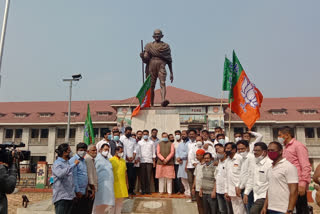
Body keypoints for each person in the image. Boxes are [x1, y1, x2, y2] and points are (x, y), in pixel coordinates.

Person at [278, 126, 311, 214]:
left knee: (301, 209)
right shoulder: (285, 148)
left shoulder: (298, 146)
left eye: (280, 135)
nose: (279, 138)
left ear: (287, 135)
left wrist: (303, 183)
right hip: (287, 183)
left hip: (298, 184)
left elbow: (305, 165)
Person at [261, 141, 298, 214]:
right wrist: (265, 206)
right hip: (271, 208)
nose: (270, 152)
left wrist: (290, 210)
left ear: (281, 151)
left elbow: (294, 190)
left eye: (272, 150)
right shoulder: (270, 168)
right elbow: (270, 188)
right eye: (268, 150)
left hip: (283, 209)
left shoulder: (289, 167)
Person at [140, 29, 173, 106]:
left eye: (158, 35)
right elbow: (146, 58)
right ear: (153, 36)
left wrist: (171, 73)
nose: (157, 36)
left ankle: (163, 100)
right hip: (151, 65)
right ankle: (151, 103)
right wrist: (142, 56)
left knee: (163, 83)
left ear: (162, 36)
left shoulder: (165, 46)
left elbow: (169, 60)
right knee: (151, 85)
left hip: (161, 64)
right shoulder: (149, 46)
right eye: (156, 35)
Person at [243, 142, 272, 214]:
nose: (255, 153)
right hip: (255, 195)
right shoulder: (254, 163)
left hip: (264, 196)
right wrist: (246, 193)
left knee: (253, 212)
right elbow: (251, 179)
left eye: (258, 150)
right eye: (254, 150)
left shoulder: (270, 164)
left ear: (264, 152)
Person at [52, 143, 79, 214]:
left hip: (70, 196)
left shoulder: (67, 163)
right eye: (69, 151)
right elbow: (60, 174)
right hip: (61, 197)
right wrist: (73, 165)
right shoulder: (57, 163)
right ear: (64, 153)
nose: (70, 153)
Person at [224, 142, 246, 214]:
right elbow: (226, 177)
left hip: (240, 189)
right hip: (231, 189)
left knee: (242, 208)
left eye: (228, 148)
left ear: (233, 150)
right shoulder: (227, 160)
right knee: (235, 208)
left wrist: (240, 186)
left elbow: (243, 174)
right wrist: (226, 191)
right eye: (226, 148)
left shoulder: (240, 158)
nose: (226, 150)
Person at [93, 143, 115, 214]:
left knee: (106, 205)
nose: (107, 151)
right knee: (98, 204)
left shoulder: (107, 159)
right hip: (100, 185)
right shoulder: (96, 159)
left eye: (108, 150)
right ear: (100, 150)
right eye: (105, 149)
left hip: (108, 186)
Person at [69, 143, 89, 214]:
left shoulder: (83, 161)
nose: (83, 152)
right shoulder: (73, 160)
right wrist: (77, 191)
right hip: (76, 192)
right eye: (81, 150)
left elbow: (84, 175)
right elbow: (74, 177)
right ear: (77, 150)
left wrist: (86, 189)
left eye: (84, 150)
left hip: (83, 191)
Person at [236, 140, 255, 213]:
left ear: (247, 148)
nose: (240, 151)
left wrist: (243, 189)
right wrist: (238, 185)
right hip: (243, 188)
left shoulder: (251, 158)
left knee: (250, 210)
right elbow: (242, 173)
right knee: (246, 210)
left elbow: (250, 175)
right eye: (239, 149)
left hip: (249, 189)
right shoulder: (242, 158)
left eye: (242, 149)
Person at [214, 143, 233, 214]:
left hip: (226, 191)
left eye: (219, 152)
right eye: (217, 152)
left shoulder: (228, 163)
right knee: (222, 210)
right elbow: (217, 177)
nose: (218, 154)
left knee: (229, 210)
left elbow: (228, 178)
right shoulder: (219, 163)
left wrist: (227, 191)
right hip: (219, 190)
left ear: (225, 153)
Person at [110, 146, 128, 214]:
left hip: (122, 184)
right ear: (116, 151)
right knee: (112, 203)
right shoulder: (111, 160)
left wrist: (127, 183)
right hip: (113, 184)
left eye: (122, 151)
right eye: (121, 151)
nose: (122, 153)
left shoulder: (123, 161)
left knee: (120, 203)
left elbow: (125, 173)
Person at [138, 130, 156, 195]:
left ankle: (148, 190)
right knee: (142, 176)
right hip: (142, 161)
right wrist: (139, 160)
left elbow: (153, 152)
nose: (145, 135)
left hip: (149, 161)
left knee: (148, 176)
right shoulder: (140, 143)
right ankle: (143, 190)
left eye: (146, 134)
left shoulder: (151, 142)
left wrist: (154, 162)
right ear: (142, 135)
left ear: (148, 135)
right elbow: (139, 152)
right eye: (144, 134)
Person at [120, 126, 137, 195]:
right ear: (125, 131)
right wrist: (126, 157)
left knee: (131, 176)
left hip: (131, 161)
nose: (129, 133)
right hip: (123, 160)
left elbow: (135, 149)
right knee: (123, 176)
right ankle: (123, 191)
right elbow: (121, 149)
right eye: (128, 131)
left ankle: (131, 190)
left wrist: (133, 157)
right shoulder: (121, 139)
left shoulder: (133, 140)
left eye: (130, 131)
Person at [176, 130, 191, 199]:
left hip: (186, 161)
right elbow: (177, 152)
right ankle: (186, 190)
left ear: (187, 135)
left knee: (187, 177)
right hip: (181, 163)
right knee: (182, 178)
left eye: (184, 134)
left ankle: (189, 191)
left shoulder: (189, 143)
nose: (183, 135)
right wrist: (178, 158)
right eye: (182, 134)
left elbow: (188, 153)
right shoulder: (180, 144)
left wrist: (181, 157)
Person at [85, 144, 98, 214]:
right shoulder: (88, 159)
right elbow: (90, 176)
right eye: (93, 150)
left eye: (96, 150)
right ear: (88, 151)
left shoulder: (92, 160)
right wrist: (93, 189)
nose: (95, 152)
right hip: (90, 189)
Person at [193, 149, 205, 214]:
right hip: (197, 188)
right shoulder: (198, 165)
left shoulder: (205, 165)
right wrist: (193, 187)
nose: (196, 157)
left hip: (203, 189)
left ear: (202, 155)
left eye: (198, 155)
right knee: (199, 205)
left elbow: (204, 178)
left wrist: (202, 188)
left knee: (204, 206)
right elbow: (195, 176)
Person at [186, 129, 198, 202]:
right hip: (189, 166)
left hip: (196, 165)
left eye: (193, 134)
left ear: (196, 135)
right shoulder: (187, 143)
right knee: (190, 182)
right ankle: (193, 198)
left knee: (197, 182)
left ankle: (198, 198)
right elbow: (188, 155)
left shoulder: (198, 143)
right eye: (190, 134)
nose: (191, 135)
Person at [173, 130, 184, 194]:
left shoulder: (183, 143)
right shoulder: (173, 144)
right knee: (177, 177)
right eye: (176, 134)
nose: (177, 135)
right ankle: (178, 190)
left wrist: (181, 158)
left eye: (178, 134)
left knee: (183, 177)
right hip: (176, 162)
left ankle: (183, 189)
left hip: (183, 162)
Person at [150, 128, 160, 192]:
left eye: (155, 132)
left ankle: (156, 189)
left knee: (156, 175)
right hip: (148, 159)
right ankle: (150, 189)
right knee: (148, 175)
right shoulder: (148, 140)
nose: (154, 133)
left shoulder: (159, 141)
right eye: (153, 132)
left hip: (157, 159)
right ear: (151, 133)